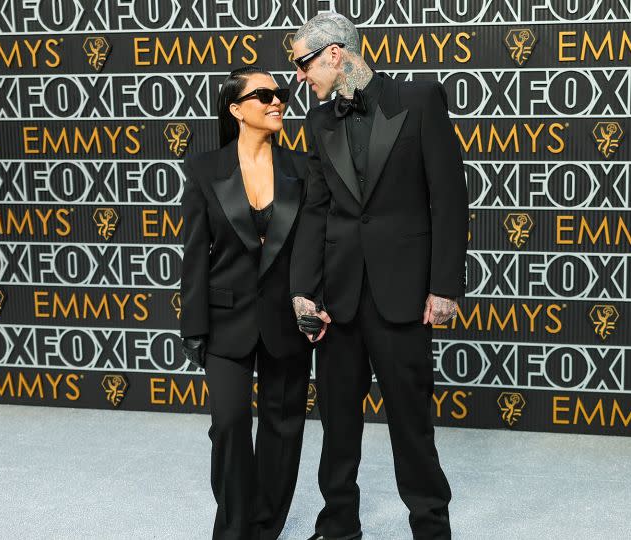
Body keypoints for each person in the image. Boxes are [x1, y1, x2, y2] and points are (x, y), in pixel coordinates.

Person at [288, 13, 468, 540]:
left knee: (412, 425)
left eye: (303, 64)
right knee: (338, 426)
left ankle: (431, 527)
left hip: (404, 293)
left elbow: (448, 198)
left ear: (334, 53)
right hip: (340, 298)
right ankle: (338, 524)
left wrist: (445, 286)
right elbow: (316, 213)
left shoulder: (419, 100)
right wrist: (304, 291)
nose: (299, 77)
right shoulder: (318, 123)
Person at [179, 66, 314, 540]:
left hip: (286, 321)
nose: (276, 101)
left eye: (279, 94)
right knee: (230, 425)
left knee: (282, 430)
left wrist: (314, 304)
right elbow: (194, 252)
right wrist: (193, 326)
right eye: (262, 95)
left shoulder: (302, 168)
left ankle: (265, 528)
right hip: (224, 320)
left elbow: (315, 246)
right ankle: (234, 528)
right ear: (236, 109)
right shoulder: (204, 170)